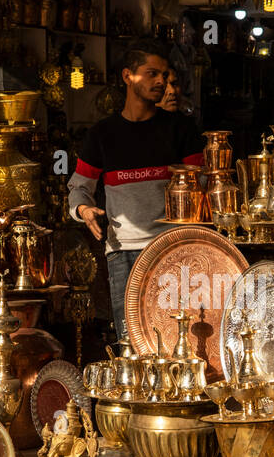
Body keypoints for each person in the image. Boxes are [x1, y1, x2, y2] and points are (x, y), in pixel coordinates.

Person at [68, 39, 204, 339]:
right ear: (128, 76)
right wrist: (84, 209)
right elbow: (79, 187)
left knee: (181, 340)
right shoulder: (102, 135)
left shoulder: (181, 129)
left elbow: (202, 185)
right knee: (131, 342)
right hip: (123, 253)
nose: (161, 82)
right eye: (152, 74)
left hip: (175, 249)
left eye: (165, 75)